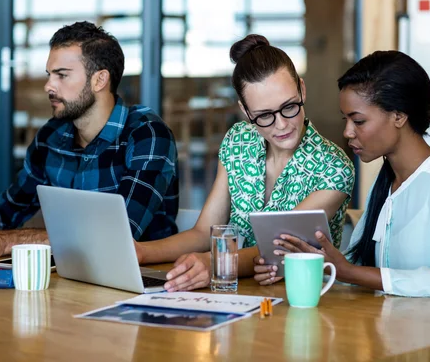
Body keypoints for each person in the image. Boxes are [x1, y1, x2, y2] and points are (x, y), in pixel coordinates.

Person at [0, 21, 179, 261]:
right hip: (70, 274)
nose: (48, 86)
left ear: (99, 79)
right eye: (49, 74)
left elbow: (116, 234)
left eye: (61, 75)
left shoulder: (147, 134)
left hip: (144, 282)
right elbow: (4, 211)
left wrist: (7, 242)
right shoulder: (52, 135)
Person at [136, 34, 355, 291]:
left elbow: (276, 247)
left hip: (303, 298)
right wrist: (140, 252)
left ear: (302, 90)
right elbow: (203, 233)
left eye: (289, 107)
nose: (281, 124)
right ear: (246, 111)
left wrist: (215, 263)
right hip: (240, 294)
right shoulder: (238, 142)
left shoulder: (334, 168)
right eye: (264, 116)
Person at [267, 50, 430, 302]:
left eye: (358, 121)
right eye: (345, 119)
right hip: (394, 335)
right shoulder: (386, 184)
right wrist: (296, 262)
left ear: (399, 116)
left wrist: (350, 272)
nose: (347, 132)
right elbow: (356, 265)